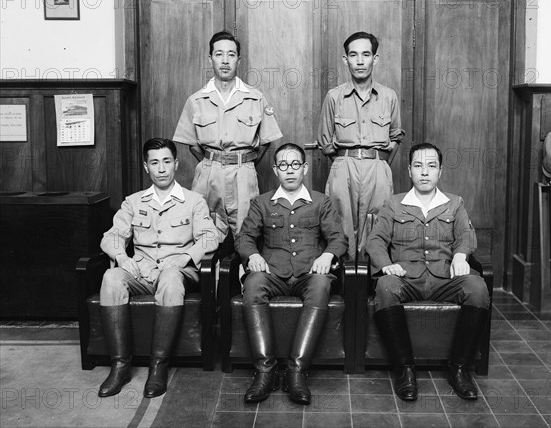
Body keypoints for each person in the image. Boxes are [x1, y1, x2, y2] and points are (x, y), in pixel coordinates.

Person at [365, 143, 489, 401]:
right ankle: (405, 370)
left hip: (446, 278)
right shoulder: (393, 203)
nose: (424, 172)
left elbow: (466, 235)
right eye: (418, 166)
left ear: (440, 171)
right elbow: (375, 241)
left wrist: (460, 255)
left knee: (477, 288)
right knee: (385, 287)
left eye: (431, 166)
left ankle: (459, 369)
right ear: (409, 170)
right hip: (406, 279)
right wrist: (386, 263)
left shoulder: (454, 203)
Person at [98, 138, 219, 399]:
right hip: (140, 271)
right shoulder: (134, 201)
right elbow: (111, 236)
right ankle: (120, 366)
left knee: (172, 278)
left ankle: (158, 366)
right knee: (110, 277)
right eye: (154, 162)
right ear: (146, 167)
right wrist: (122, 257)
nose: (161, 168)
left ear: (176, 164)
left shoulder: (194, 200)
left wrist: (186, 256)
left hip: (176, 271)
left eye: (166, 161)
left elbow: (211, 237)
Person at [236, 143, 348, 405]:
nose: (290, 171)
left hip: (309, 273)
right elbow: (244, 239)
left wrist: (327, 255)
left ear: (305, 168)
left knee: (321, 286)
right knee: (253, 286)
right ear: (275, 170)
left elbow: (339, 239)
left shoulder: (321, 201)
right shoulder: (261, 202)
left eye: (295, 165)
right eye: (283, 166)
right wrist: (252, 255)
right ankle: (265, 371)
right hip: (272, 272)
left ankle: (296, 371)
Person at [173, 31, 283, 243]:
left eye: (231, 55)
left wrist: (243, 162)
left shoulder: (255, 97)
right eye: (219, 54)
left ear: (238, 60)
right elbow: (193, 145)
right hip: (208, 175)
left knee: (247, 234)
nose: (225, 61)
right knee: (204, 234)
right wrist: (213, 163)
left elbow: (266, 141)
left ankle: (244, 275)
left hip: (244, 173)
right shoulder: (196, 100)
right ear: (210, 58)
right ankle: (210, 276)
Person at [318, 31, 404, 260]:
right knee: (341, 221)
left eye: (366, 55)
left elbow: (395, 136)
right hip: (343, 166)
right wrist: (344, 161)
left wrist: (379, 163)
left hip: (378, 167)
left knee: (377, 224)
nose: (359, 61)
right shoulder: (334, 97)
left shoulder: (389, 97)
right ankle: (344, 282)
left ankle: (371, 284)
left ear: (375, 59)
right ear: (345, 60)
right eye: (353, 55)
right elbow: (325, 141)